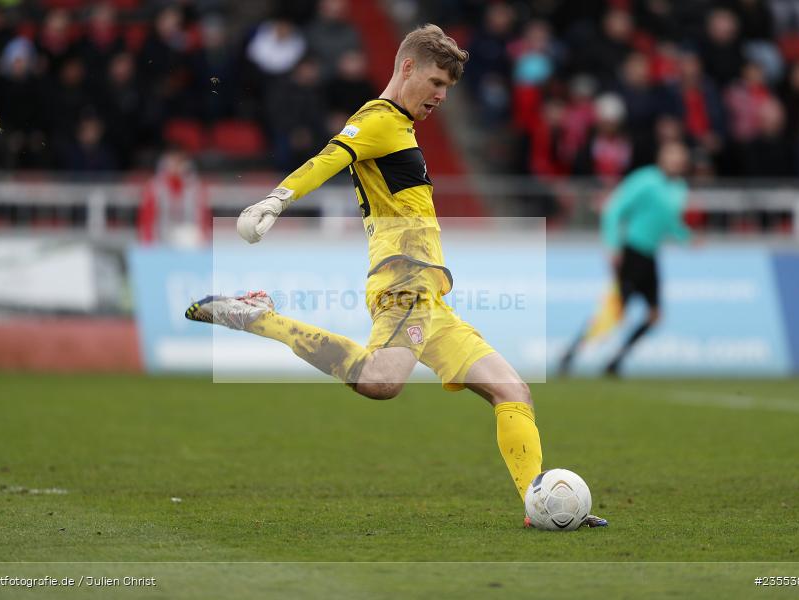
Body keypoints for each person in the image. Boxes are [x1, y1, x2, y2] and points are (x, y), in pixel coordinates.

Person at [185, 24, 605, 528]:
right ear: (407, 67)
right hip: (403, 280)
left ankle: (538, 508)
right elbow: (328, 158)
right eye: (435, 83)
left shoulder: (401, 128)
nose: (441, 96)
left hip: (430, 296)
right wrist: (277, 199)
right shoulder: (378, 119)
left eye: (447, 88)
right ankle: (259, 317)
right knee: (382, 382)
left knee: (513, 391)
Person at [558, 141, 691, 377]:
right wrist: (612, 245)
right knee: (614, 312)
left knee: (654, 316)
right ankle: (571, 354)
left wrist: (686, 237)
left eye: (680, 155)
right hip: (632, 252)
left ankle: (616, 360)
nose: (676, 160)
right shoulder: (646, 180)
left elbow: (670, 221)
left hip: (650, 256)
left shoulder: (679, 188)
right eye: (672, 154)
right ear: (661, 157)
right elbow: (615, 208)